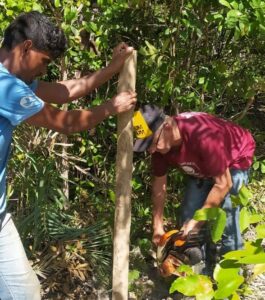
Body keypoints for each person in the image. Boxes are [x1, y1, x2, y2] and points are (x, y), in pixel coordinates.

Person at [0, 11, 137, 300]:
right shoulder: (5, 86)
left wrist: (113, 68)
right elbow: (67, 122)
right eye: (45, 62)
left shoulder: (13, 78)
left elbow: (65, 92)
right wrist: (111, 107)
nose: (43, 71)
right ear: (25, 48)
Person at [133, 105, 255, 274]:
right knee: (188, 217)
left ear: (167, 126)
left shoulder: (204, 137)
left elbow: (223, 184)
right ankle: (197, 276)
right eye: (147, 146)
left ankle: (234, 274)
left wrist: (196, 223)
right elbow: (159, 186)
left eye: (153, 143)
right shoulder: (160, 147)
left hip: (235, 160)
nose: (152, 150)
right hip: (203, 166)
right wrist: (157, 225)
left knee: (226, 216)